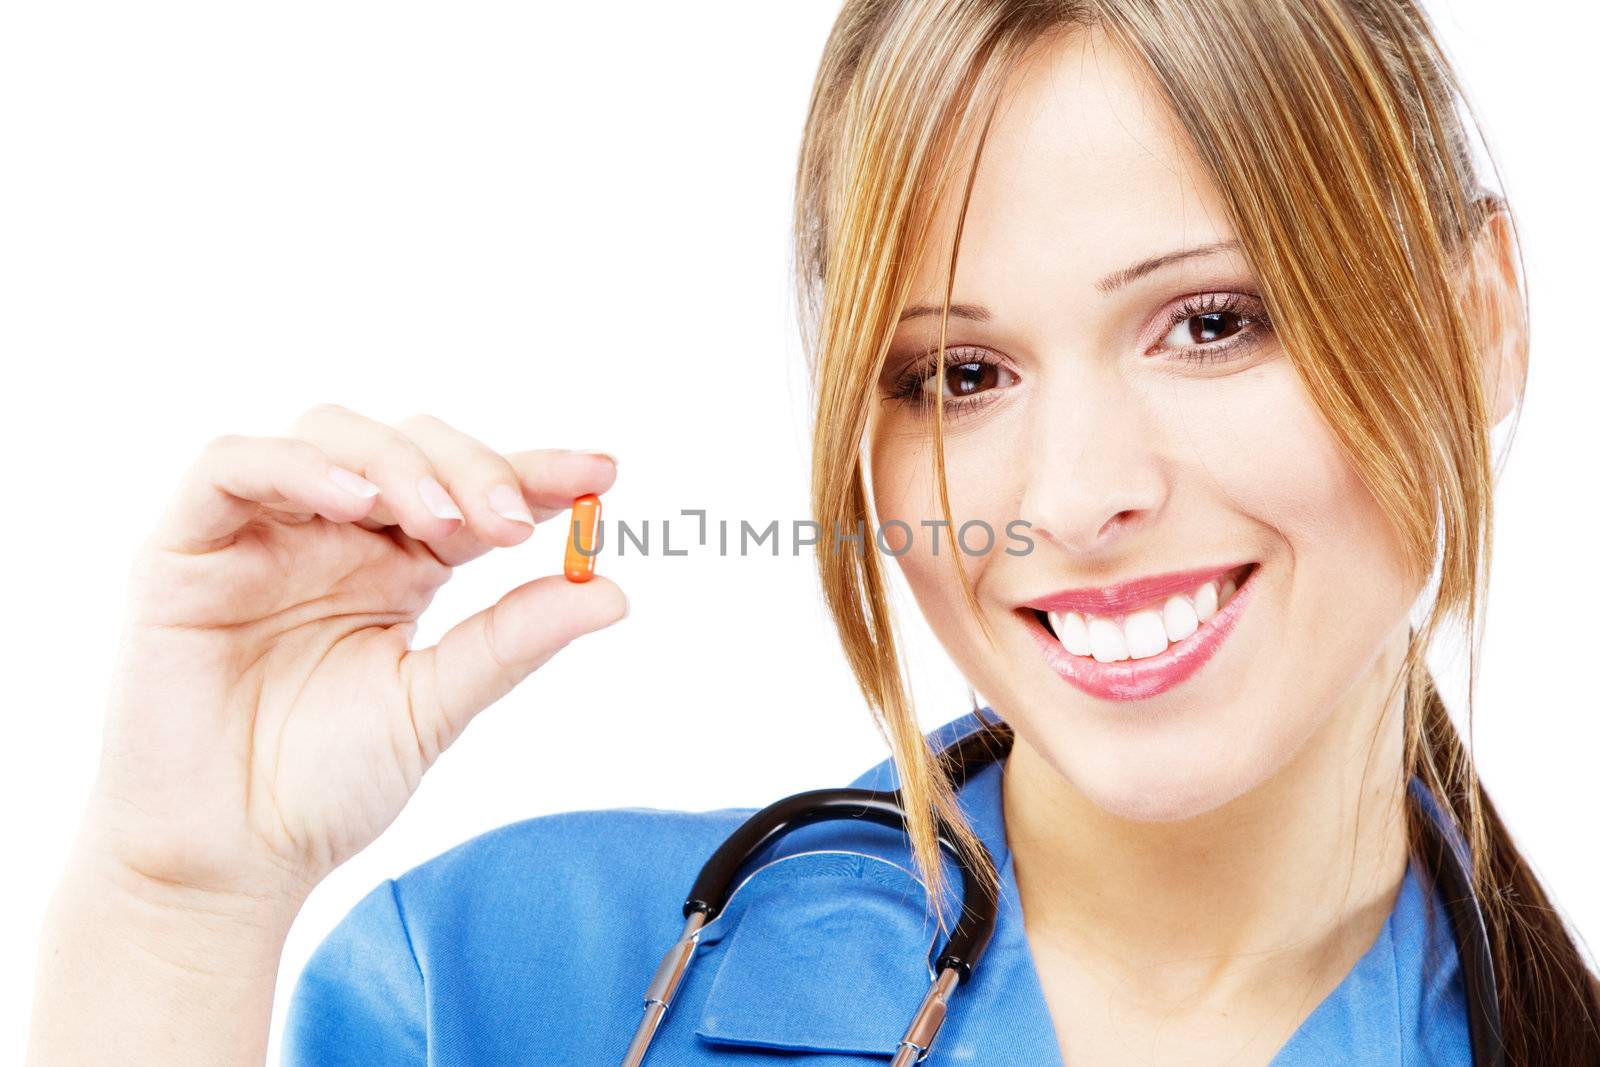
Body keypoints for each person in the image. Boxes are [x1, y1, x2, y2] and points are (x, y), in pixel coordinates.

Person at [27, 1, 1600, 1063]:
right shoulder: (507, 986)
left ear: (1481, 323)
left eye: (1210, 322)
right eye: (961, 373)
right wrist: (177, 902)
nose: (1069, 496)